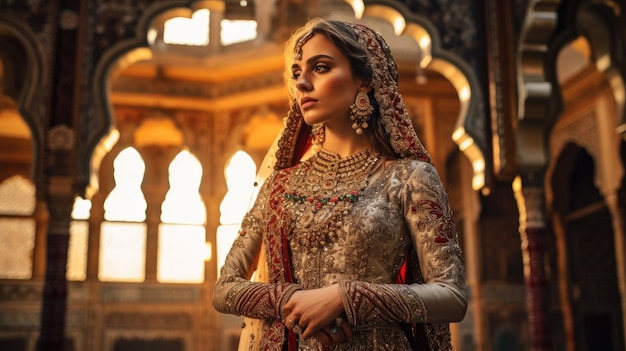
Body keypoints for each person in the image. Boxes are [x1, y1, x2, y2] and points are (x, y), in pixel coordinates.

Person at [213, 18, 467, 351]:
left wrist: (345, 298)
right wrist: (295, 303)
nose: (302, 83)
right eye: (296, 73)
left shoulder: (408, 178)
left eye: (320, 67)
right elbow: (224, 289)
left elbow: (452, 295)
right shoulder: (280, 185)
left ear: (363, 80)